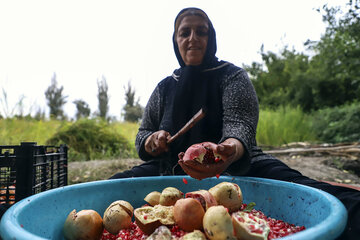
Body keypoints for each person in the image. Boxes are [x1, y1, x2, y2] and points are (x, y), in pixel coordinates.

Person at [110, 7, 359, 240]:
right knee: (111, 189)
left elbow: (241, 128)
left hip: (239, 169)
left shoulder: (232, 76)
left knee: (324, 196)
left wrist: (228, 149)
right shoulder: (164, 87)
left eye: (201, 31)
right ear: (175, 40)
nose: (193, 38)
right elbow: (142, 136)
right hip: (169, 170)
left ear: (212, 38)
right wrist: (151, 141)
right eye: (184, 32)